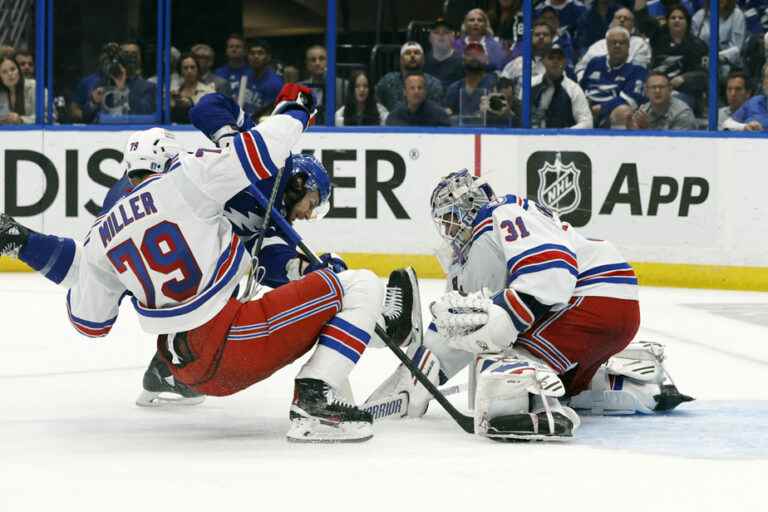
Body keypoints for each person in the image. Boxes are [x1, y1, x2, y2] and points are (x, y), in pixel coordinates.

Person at [0, 84, 385, 443]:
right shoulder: (191, 178)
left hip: (183, 359)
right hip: (229, 343)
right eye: (311, 205)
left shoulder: (105, 231)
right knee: (361, 285)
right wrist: (295, 108)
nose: (307, 214)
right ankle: (315, 403)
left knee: (227, 267)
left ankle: (164, 374)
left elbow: (91, 322)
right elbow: (241, 128)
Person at [366, 169, 692, 440]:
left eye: (449, 220)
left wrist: (504, 316)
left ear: (465, 206)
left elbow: (554, 268)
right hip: (610, 304)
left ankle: (534, 406)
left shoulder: (502, 214)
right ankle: (622, 383)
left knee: (494, 351)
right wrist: (416, 374)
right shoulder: (494, 236)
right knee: (495, 331)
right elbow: (464, 323)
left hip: (591, 298)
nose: (449, 230)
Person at [69, 42, 156, 123]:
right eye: (126, 54)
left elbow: (146, 114)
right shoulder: (102, 84)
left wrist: (122, 88)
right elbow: (87, 118)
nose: (130, 58)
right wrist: (93, 102)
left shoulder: (148, 87)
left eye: (134, 54)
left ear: (140, 58)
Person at [580, 26, 648, 128]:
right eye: (613, 42)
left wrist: (600, 108)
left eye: (622, 43)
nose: (617, 45)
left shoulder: (637, 70)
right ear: (607, 45)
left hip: (610, 114)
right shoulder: (595, 63)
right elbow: (582, 88)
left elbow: (630, 100)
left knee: (624, 111)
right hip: (586, 110)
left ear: (629, 46)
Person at [650, 5, 708, 111]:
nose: (677, 20)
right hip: (658, 88)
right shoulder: (658, 41)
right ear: (667, 21)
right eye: (673, 18)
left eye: (681, 18)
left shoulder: (698, 45)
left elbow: (705, 75)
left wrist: (684, 78)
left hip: (685, 92)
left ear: (687, 22)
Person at [575, 8, 652, 81]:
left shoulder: (640, 44)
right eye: (618, 17)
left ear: (633, 25)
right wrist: (585, 81)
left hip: (626, 85)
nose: (622, 20)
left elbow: (639, 70)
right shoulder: (597, 45)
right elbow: (580, 67)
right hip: (595, 85)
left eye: (626, 18)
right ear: (612, 22)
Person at [531, 44, 593, 128]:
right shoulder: (531, 84)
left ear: (564, 63)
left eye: (559, 58)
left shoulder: (573, 89)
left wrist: (565, 133)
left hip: (562, 139)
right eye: (551, 58)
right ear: (543, 62)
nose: (555, 61)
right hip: (532, 137)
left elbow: (587, 123)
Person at [375, 41, 444, 113]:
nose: (412, 55)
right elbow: (375, 102)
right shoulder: (387, 81)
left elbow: (437, 112)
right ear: (401, 60)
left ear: (423, 60)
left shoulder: (434, 84)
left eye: (416, 53)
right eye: (407, 53)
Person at [692, 0, 747, 80]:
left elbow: (736, 48)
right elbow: (693, 42)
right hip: (702, 66)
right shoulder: (699, 15)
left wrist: (716, 57)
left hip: (730, 67)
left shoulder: (737, 14)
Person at [445, 43, 497, 126]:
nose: (474, 58)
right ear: (463, 60)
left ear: (486, 59)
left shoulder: (496, 83)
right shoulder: (454, 88)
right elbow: (448, 117)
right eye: (470, 54)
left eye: (478, 54)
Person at [500, 20, 556, 98]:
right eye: (537, 34)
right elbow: (503, 83)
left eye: (545, 34)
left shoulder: (558, 63)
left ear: (552, 38)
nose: (541, 37)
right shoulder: (518, 62)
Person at [627, 72, 697, 129]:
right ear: (646, 91)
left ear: (670, 89)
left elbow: (675, 145)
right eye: (653, 87)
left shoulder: (683, 114)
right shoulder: (643, 112)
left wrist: (646, 130)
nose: (657, 91)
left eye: (662, 87)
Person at [299, 45, 347, 125]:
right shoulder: (300, 88)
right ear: (307, 64)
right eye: (313, 60)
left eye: (321, 59)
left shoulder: (343, 86)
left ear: (329, 61)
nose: (317, 63)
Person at [385, 73, 451, 127]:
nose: (416, 91)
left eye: (420, 88)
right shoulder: (394, 116)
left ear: (425, 92)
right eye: (412, 88)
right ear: (404, 92)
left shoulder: (439, 115)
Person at [241, 40, 283, 121]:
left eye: (260, 53)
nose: (255, 56)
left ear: (268, 57)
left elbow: (268, 113)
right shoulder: (245, 75)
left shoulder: (274, 83)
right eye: (252, 53)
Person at [170, 53, 215, 123]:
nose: (189, 71)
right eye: (185, 68)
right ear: (180, 71)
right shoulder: (173, 92)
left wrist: (192, 104)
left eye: (192, 67)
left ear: (198, 69)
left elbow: (211, 115)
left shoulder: (209, 92)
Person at [723, 62, 768, 130]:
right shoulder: (755, 101)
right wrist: (744, 126)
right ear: (763, 82)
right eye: (767, 77)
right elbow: (727, 123)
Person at [424, 17, 465, 89]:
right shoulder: (422, 61)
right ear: (430, 38)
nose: (441, 35)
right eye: (436, 32)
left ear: (453, 37)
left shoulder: (462, 62)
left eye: (446, 32)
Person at [214, 33, 253, 102]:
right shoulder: (218, 72)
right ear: (226, 50)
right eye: (231, 47)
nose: (234, 49)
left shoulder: (252, 72)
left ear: (244, 51)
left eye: (238, 47)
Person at [0, 56, 36, 124]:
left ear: (19, 70)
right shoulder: (1, 93)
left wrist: (21, 120)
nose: (10, 74)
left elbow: (50, 116)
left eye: (13, 69)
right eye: (4, 72)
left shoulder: (34, 87)